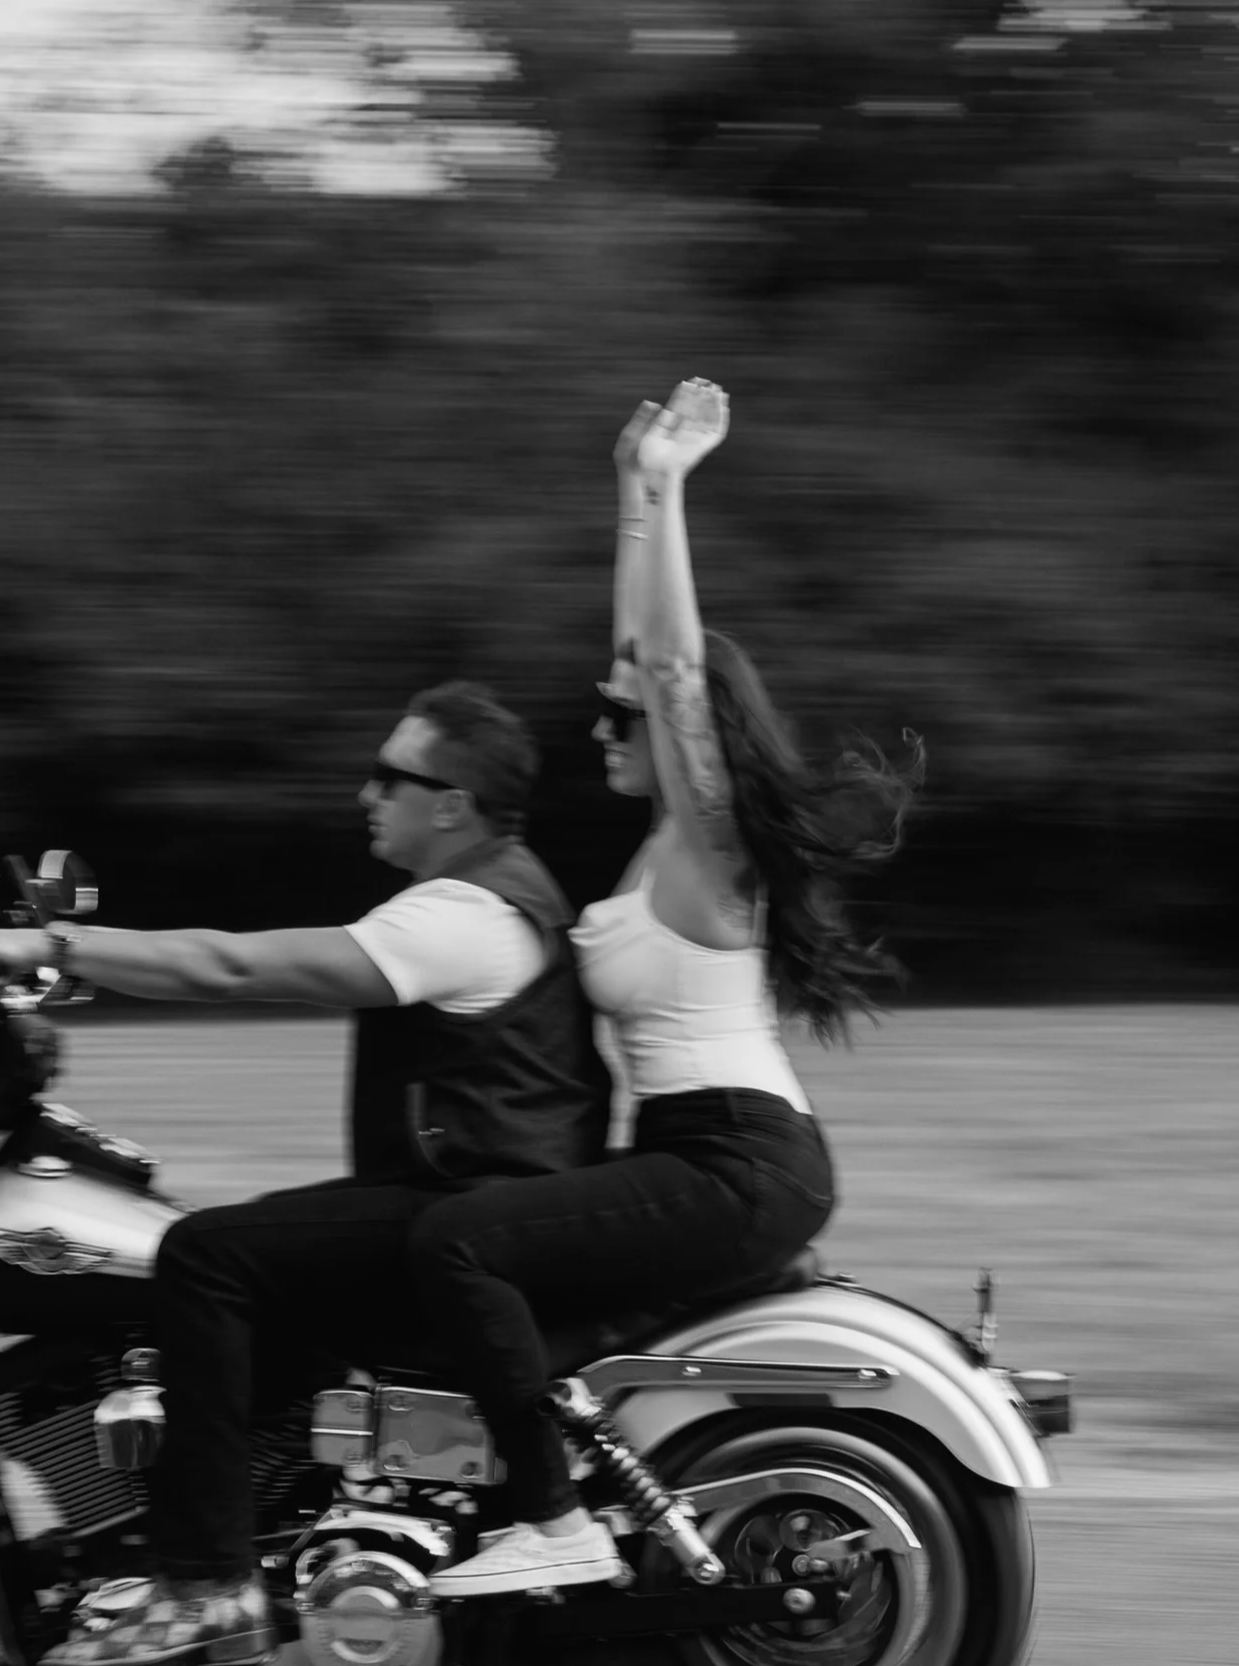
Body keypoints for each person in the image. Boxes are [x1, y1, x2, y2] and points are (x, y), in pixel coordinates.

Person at [0, 680, 612, 1666]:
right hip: (461, 1200)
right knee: (236, 1262)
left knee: (205, 1255)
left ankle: (205, 1587)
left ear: (452, 804)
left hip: (471, 1212)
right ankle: (218, 1529)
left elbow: (238, 969)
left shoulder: (469, 916)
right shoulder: (483, 893)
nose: (365, 794)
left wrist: (53, 945)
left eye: (391, 776)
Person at [408, 380, 921, 1597]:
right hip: (706, 1155)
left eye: (613, 714)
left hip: (731, 1159)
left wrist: (673, 489)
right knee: (514, 1322)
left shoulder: (708, 847)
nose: (599, 723)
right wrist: (632, 489)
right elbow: (646, 655)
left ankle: (551, 1524)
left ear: (688, 736)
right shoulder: (658, 858)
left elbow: (672, 664)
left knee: (457, 1248)